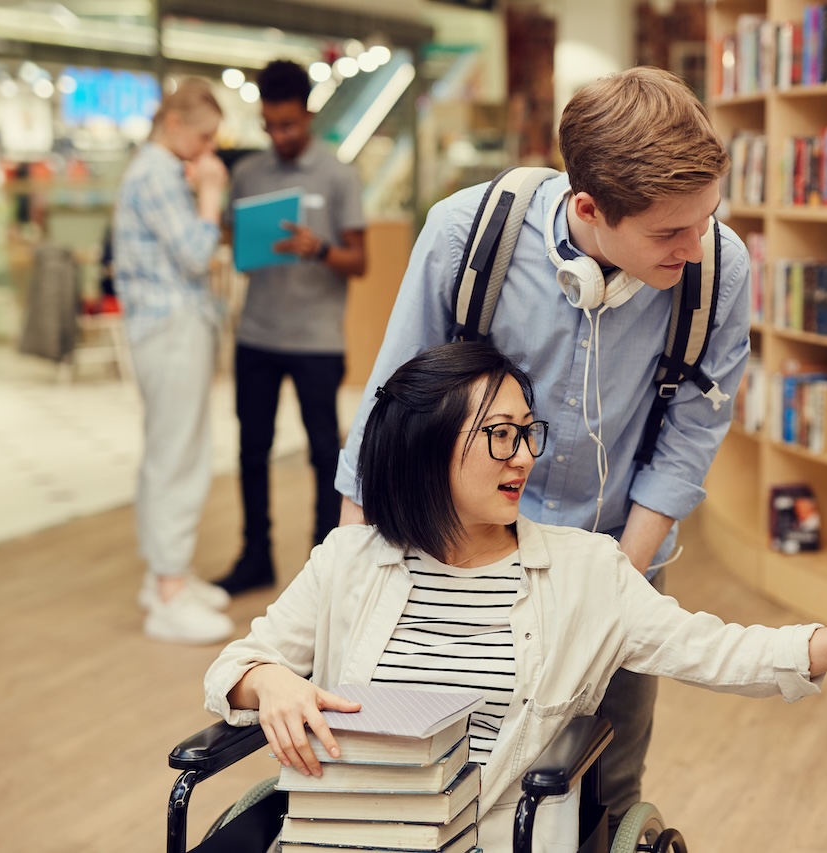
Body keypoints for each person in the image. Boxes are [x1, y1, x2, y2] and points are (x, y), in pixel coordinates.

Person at [205, 342, 827, 852]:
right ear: (428, 445)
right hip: (342, 834)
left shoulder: (587, 571)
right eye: (500, 435)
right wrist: (269, 680)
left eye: (529, 432)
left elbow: (726, 652)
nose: (524, 455)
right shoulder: (350, 559)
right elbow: (238, 663)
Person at [334, 66, 746, 827]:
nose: (696, 246)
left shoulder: (717, 266)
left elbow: (691, 431)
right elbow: (388, 414)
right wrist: (353, 588)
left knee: (605, 787)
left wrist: (607, 587)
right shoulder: (467, 238)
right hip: (459, 563)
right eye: (668, 232)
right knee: (440, 783)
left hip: (618, 554)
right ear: (588, 206)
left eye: (707, 218)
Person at [215, 59, 368, 597]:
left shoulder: (338, 175)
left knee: (325, 453)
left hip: (316, 341)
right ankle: (255, 555)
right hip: (256, 334)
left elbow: (360, 260)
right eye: (270, 125)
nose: (280, 135)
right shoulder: (247, 175)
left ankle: (323, 570)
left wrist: (319, 248)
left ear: (307, 115)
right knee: (250, 451)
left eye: (289, 125)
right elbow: (233, 245)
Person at [113, 78, 233, 644]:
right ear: (176, 125)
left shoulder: (151, 169)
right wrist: (209, 193)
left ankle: (166, 575)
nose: (210, 149)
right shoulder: (160, 171)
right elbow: (193, 253)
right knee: (179, 454)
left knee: (168, 448)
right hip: (171, 326)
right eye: (205, 136)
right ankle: (168, 592)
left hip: (166, 326)